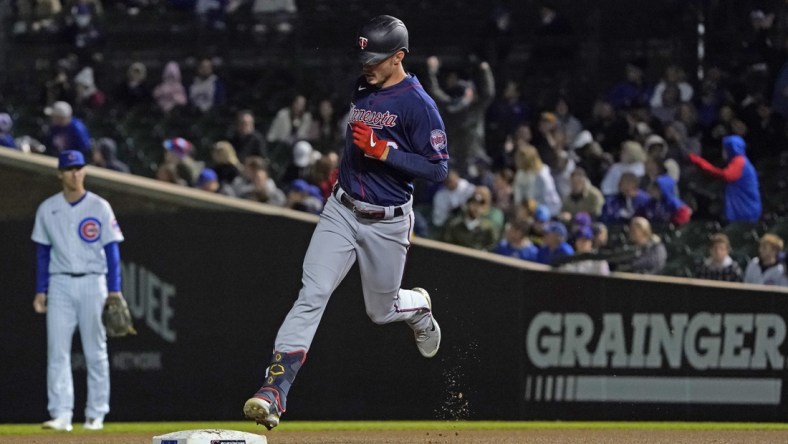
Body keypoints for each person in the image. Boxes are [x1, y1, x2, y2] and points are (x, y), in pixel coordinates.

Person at [243, 15, 447, 430]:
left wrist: (386, 153)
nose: (366, 64)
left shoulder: (418, 105)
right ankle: (275, 390)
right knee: (312, 293)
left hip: (387, 222)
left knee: (381, 311)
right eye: (364, 56)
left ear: (399, 57)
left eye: (375, 58)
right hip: (341, 209)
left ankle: (418, 306)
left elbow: (438, 169)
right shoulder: (364, 85)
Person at [31, 150, 125, 432]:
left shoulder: (99, 206)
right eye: (69, 168)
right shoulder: (48, 208)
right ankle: (61, 413)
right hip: (59, 282)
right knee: (57, 351)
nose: (75, 173)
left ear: (85, 170)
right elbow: (42, 253)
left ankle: (96, 414)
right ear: (60, 173)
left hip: (93, 281)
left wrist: (115, 289)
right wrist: (40, 289)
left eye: (79, 167)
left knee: (95, 351)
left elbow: (112, 251)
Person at [688, 135, 762, 223]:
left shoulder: (739, 161)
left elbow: (725, 175)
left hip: (744, 209)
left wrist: (699, 162)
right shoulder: (740, 161)